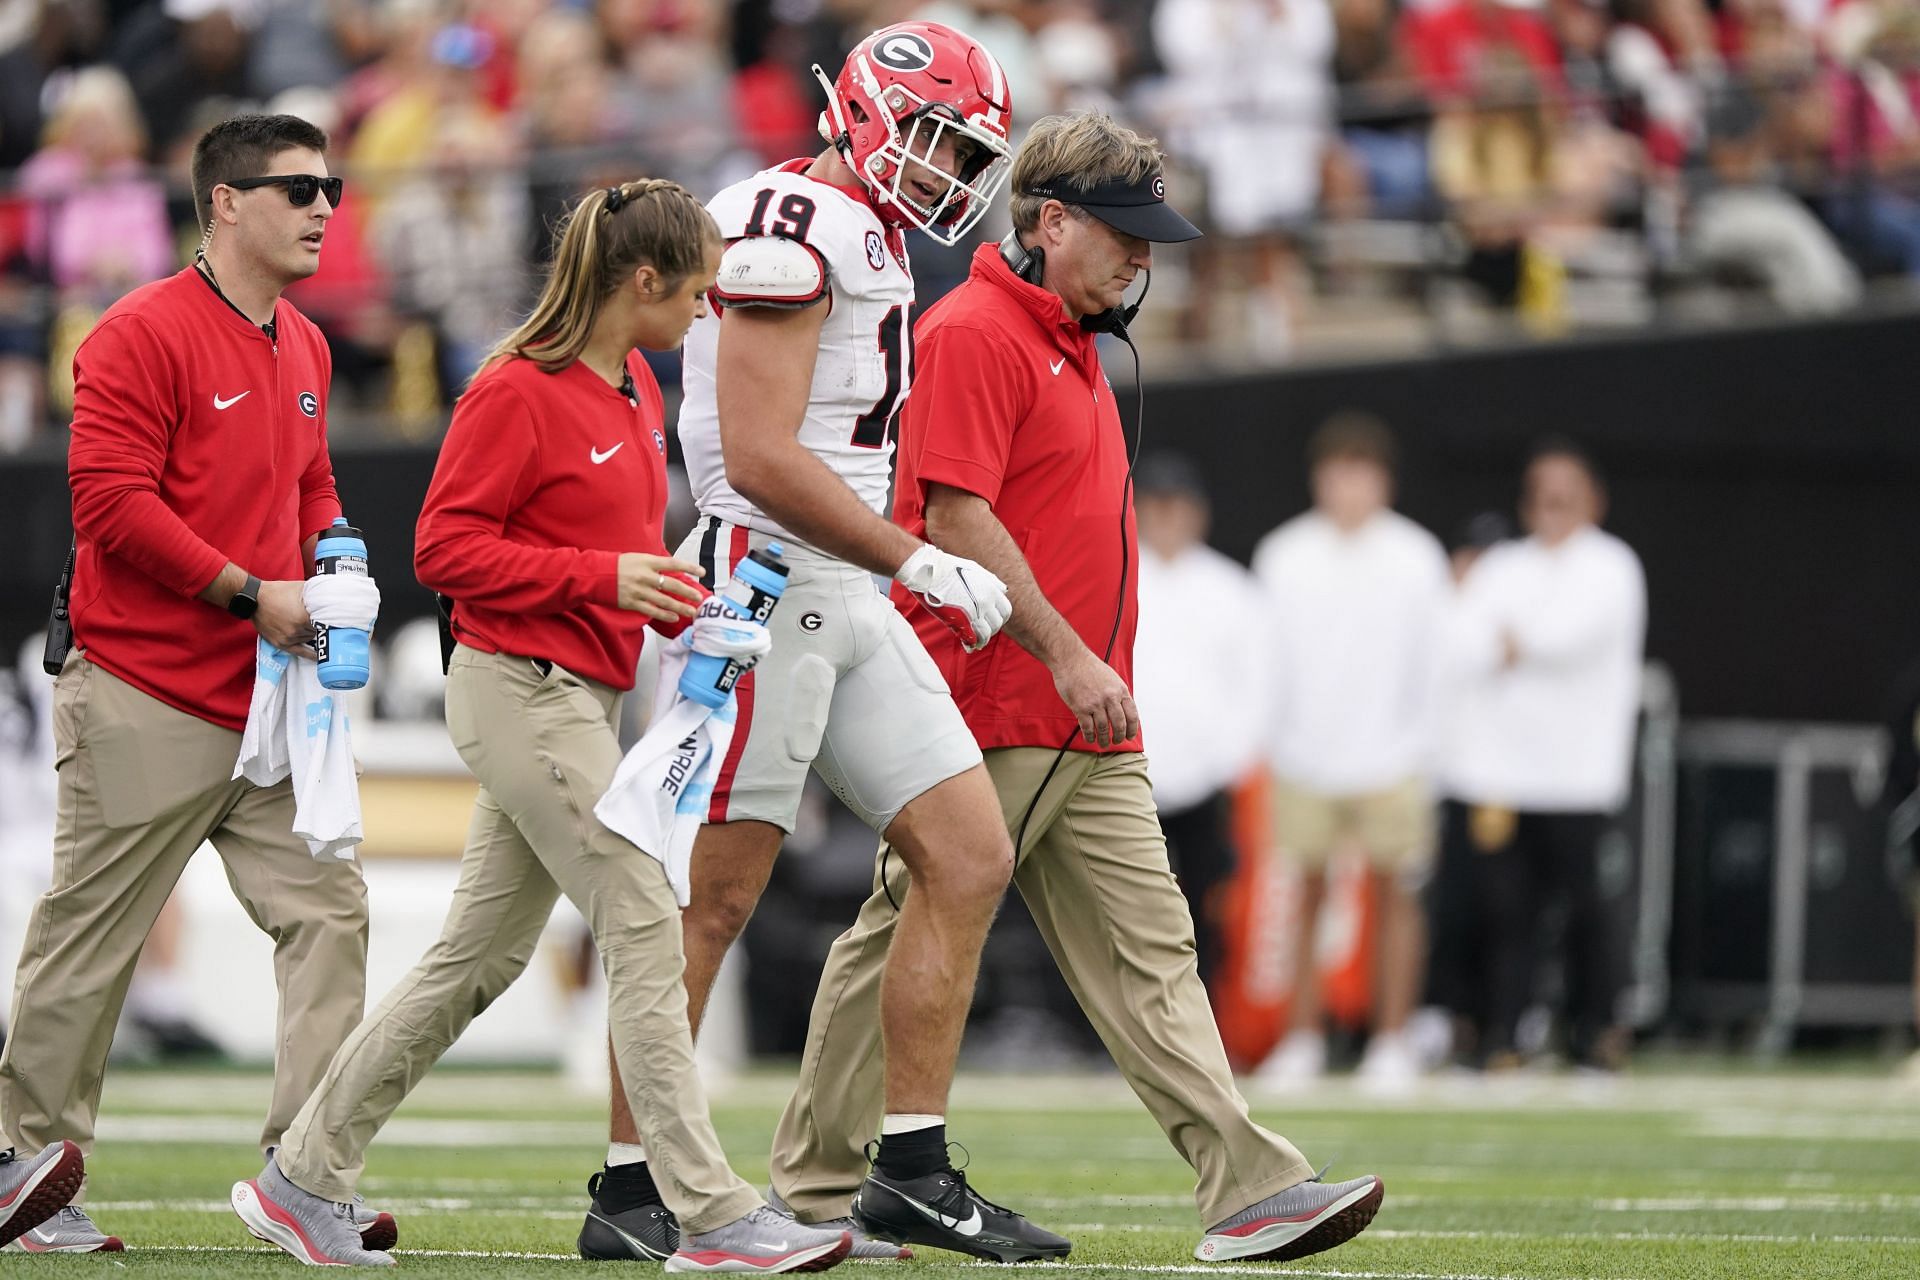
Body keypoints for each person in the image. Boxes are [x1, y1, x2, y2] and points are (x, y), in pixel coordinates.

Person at [768, 109, 1385, 1266]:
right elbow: (953, 515)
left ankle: (1248, 1187)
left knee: (1152, 948)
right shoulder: (973, 333)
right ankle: (809, 1188)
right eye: (1124, 234)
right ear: (1051, 221)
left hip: (1083, 713)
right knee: (906, 929)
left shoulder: (1070, 339)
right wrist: (1067, 652)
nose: (1143, 258)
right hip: (992, 695)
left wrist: (1087, 671)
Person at [228, 179, 853, 1273]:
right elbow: (444, 552)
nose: (710, 311)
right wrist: (603, 577)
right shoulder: (516, 388)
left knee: (476, 956)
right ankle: (708, 1212)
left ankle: (303, 1176)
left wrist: (670, 602)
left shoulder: (631, 393)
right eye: (697, 290)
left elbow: (596, 568)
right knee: (647, 911)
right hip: (518, 689)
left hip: (583, 696)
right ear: (643, 281)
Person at [576, 23, 1064, 1266]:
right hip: (769, 586)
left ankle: (908, 1164)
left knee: (966, 853)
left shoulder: (870, 228)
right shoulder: (786, 225)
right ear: (862, 109)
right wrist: (921, 555)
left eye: (968, 147)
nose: (952, 167)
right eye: (939, 135)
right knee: (712, 899)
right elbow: (757, 456)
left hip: (846, 590)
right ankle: (634, 1189)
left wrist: (894, 563)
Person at [0, 113, 385, 1255]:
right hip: (143, 687)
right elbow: (109, 507)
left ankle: (307, 1171)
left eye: (332, 187)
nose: (324, 208)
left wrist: (336, 553)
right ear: (225, 200)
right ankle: (22, 1161)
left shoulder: (306, 345)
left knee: (329, 910)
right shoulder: (136, 332)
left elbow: (311, 482)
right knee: (93, 935)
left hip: (266, 701)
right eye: (299, 189)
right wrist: (246, 589)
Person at [1250, 414, 1449, 1092]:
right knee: (1302, 899)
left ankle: (1392, 1042)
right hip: (1305, 756)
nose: (1349, 487)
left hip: (1394, 759)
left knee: (1398, 899)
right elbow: (1267, 661)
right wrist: (1275, 742)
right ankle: (1300, 1039)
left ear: (1383, 481)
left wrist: (1419, 746)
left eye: (1362, 473)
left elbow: (1434, 662)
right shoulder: (1284, 554)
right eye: (1338, 472)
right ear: (1320, 479)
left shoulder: (1417, 556)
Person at [1441, 439, 1647, 1071]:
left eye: (1567, 492)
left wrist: (1514, 640)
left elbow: (1566, 639)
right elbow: (1466, 639)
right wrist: (1510, 642)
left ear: (1593, 499)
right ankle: (1504, 1034)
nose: (1553, 504)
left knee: (1587, 911)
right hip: (1504, 773)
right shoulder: (1506, 566)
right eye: (1543, 491)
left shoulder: (1612, 566)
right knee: (1505, 914)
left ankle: (1595, 1035)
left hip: (1579, 776)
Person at [1130, 453, 1269, 989]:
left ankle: (1204, 1021)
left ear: (1197, 514)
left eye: (1176, 507)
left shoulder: (1231, 589)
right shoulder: (1117, 574)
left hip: (1206, 782)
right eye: (1156, 507)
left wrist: (1228, 762)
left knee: (1205, 907)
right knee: (1127, 906)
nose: (1167, 519)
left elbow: (1255, 685)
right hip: (1127, 772)